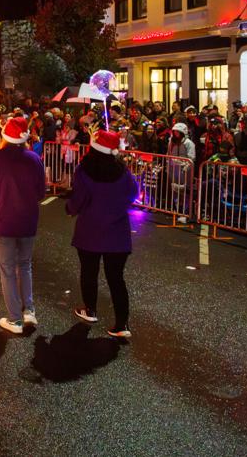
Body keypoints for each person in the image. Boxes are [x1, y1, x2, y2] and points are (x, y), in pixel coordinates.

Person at [65, 130, 139, 338]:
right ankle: (122, 323)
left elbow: (77, 200)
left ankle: (90, 309)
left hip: (90, 230)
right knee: (116, 279)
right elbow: (134, 192)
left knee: (89, 272)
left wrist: (71, 209)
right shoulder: (122, 172)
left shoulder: (84, 170)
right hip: (117, 232)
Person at [0, 116, 46, 334]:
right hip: (28, 219)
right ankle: (29, 311)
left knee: (8, 270)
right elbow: (40, 192)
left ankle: (15, 319)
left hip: (3, 220)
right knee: (25, 265)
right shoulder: (34, 159)